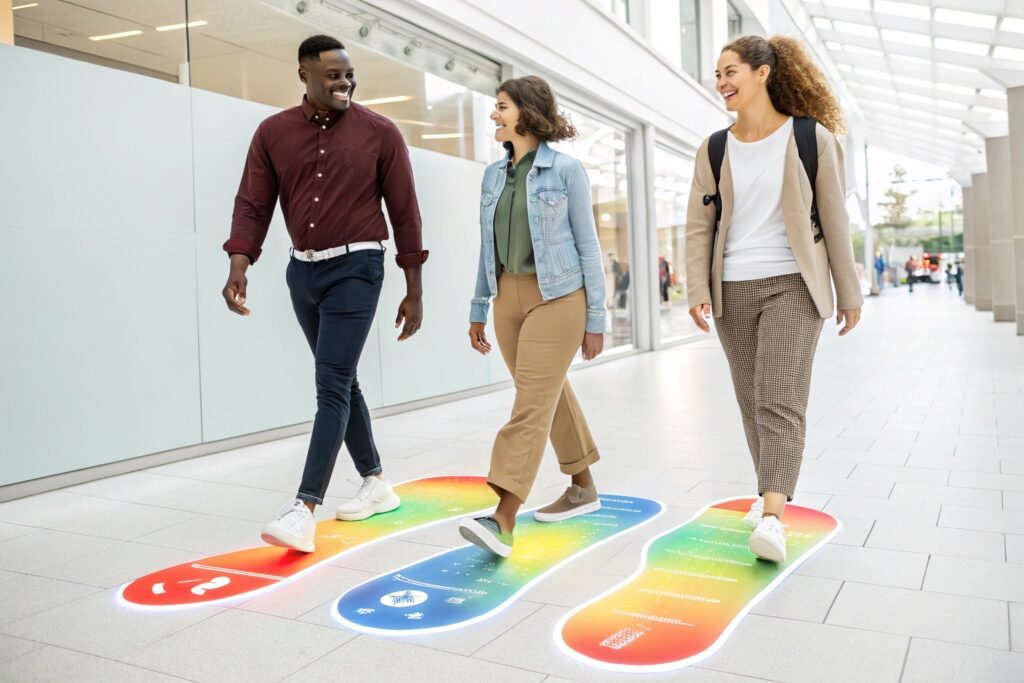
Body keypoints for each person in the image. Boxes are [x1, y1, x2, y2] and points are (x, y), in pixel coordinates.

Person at [221, 35, 428, 552]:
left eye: (348, 74)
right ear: (304, 74)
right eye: (333, 74)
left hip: (359, 267)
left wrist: (413, 289)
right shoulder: (273, 132)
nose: (345, 82)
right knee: (342, 379)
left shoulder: (380, 133)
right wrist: (239, 263)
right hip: (302, 273)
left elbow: (405, 213)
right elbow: (253, 202)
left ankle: (303, 508)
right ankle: (376, 481)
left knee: (330, 381)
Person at [686, 35, 862, 563]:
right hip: (732, 290)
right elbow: (700, 225)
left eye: (730, 71)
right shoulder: (715, 147)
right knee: (751, 403)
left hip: (794, 285)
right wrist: (697, 288)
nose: (722, 83)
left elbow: (834, 219)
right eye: (717, 75)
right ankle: (773, 490)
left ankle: (771, 516)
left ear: (763, 73)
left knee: (780, 402)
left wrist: (849, 293)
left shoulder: (812, 139)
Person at [461, 75, 606, 557]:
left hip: (560, 297)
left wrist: (596, 318)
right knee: (546, 393)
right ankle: (583, 486)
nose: (494, 115)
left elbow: (588, 246)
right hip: (507, 298)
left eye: (501, 107)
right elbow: (487, 246)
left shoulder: (566, 171)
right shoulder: (492, 175)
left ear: (524, 111)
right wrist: (479, 305)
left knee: (529, 403)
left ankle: (502, 515)